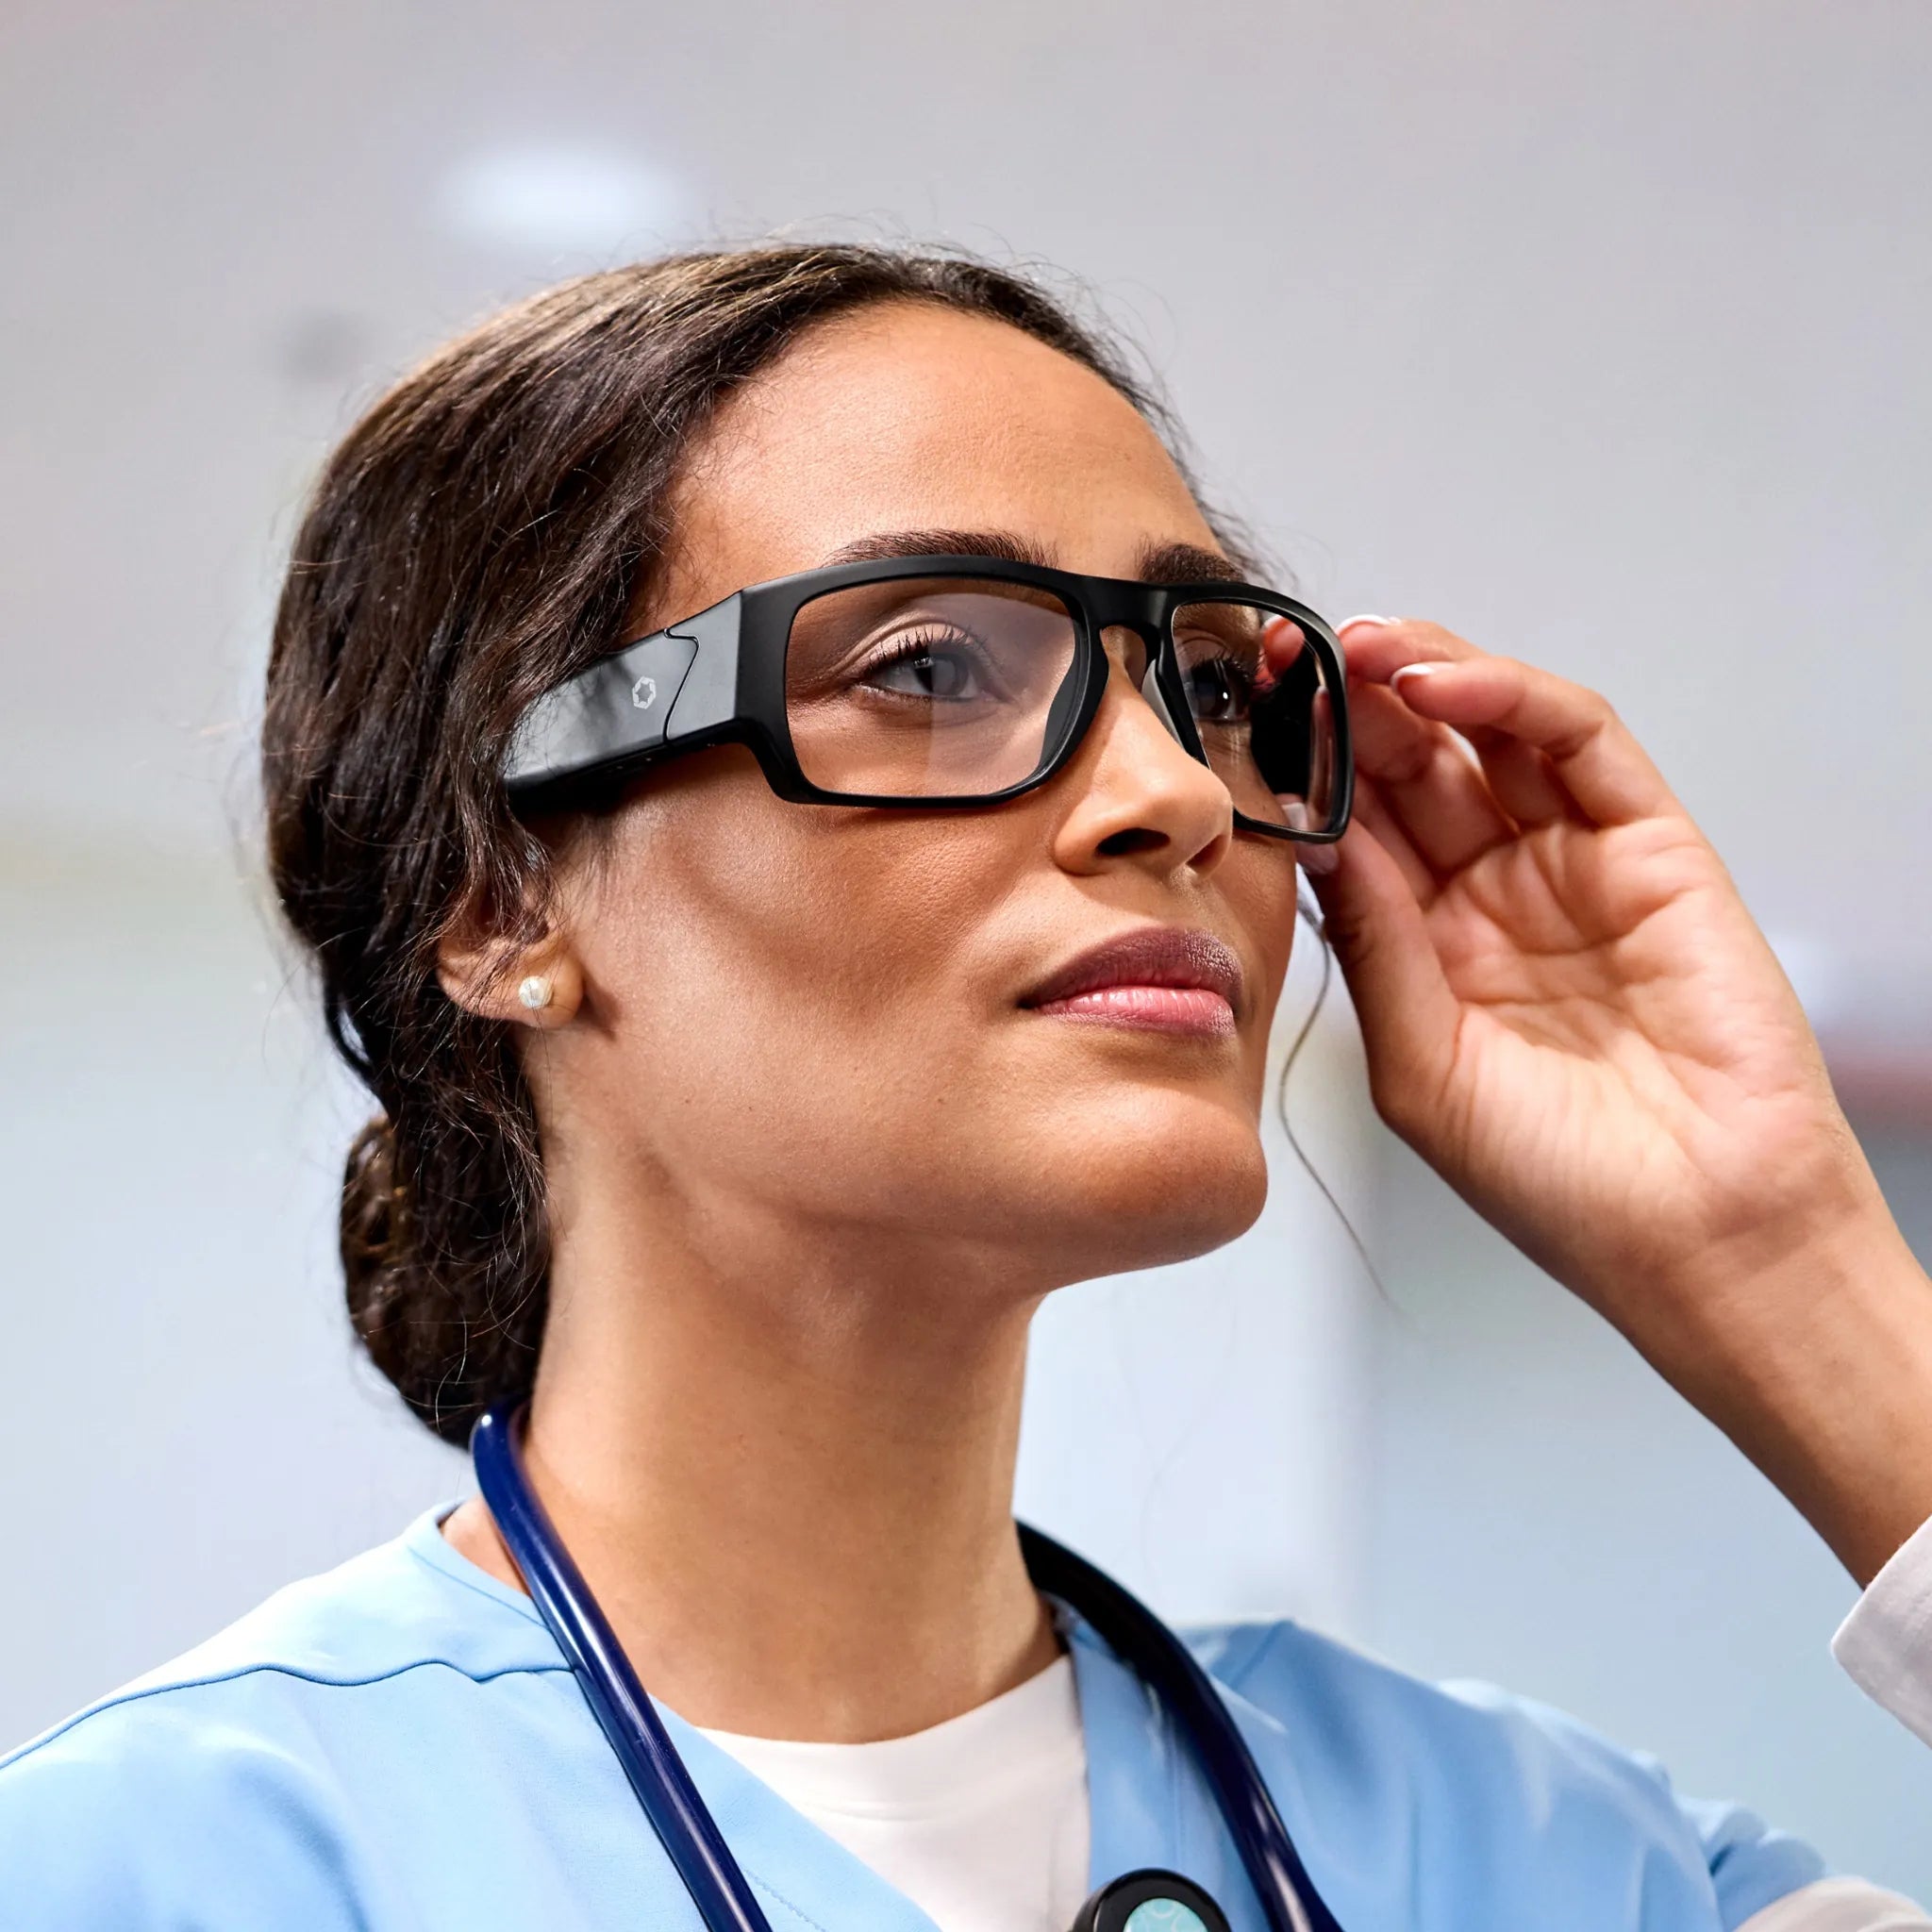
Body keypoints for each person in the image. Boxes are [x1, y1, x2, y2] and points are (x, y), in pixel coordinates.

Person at [3, 243, 1930, 1931]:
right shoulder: (175, 1867)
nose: (1178, 791)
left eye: (1208, 680)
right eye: (929, 669)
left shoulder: (1537, 1865)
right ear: (497, 894)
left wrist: (1788, 1270)